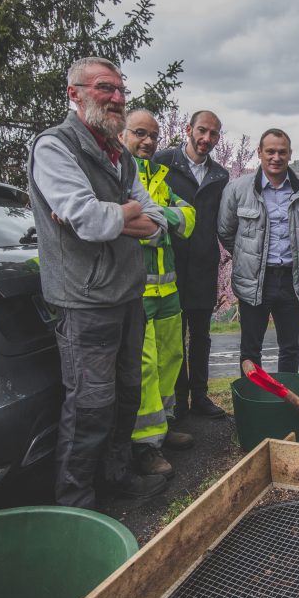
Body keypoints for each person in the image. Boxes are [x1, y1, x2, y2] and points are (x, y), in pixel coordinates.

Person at [27, 57, 169, 507]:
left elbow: (158, 223)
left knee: (126, 396)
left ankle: (116, 478)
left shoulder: (120, 155)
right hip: (84, 299)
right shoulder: (55, 147)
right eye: (105, 88)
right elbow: (88, 221)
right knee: (89, 406)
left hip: (127, 294)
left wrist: (112, 216)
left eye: (121, 90)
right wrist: (119, 212)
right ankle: (76, 503)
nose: (117, 99)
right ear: (75, 93)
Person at [122, 109, 196, 478]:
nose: (148, 141)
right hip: (135, 290)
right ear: (123, 134)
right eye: (140, 133)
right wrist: (159, 222)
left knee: (170, 358)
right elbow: (124, 224)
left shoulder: (160, 178)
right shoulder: (120, 176)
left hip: (168, 289)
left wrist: (157, 220)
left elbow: (188, 219)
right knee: (145, 366)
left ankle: (163, 426)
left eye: (153, 135)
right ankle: (145, 444)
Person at [218, 128, 299, 375]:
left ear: (290, 154)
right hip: (254, 280)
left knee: (290, 347)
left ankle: (286, 406)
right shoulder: (238, 189)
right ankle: (252, 404)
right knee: (250, 349)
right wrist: (250, 258)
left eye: (282, 152)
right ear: (259, 152)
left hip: (292, 280)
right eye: (270, 151)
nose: (276, 157)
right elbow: (226, 232)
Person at [154, 111, 230, 420]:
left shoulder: (220, 176)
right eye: (202, 131)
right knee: (173, 338)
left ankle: (199, 396)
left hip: (203, 266)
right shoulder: (163, 162)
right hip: (169, 264)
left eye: (213, 134)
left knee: (201, 336)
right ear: (188, 129)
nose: (207, 139)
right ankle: (178, 400)